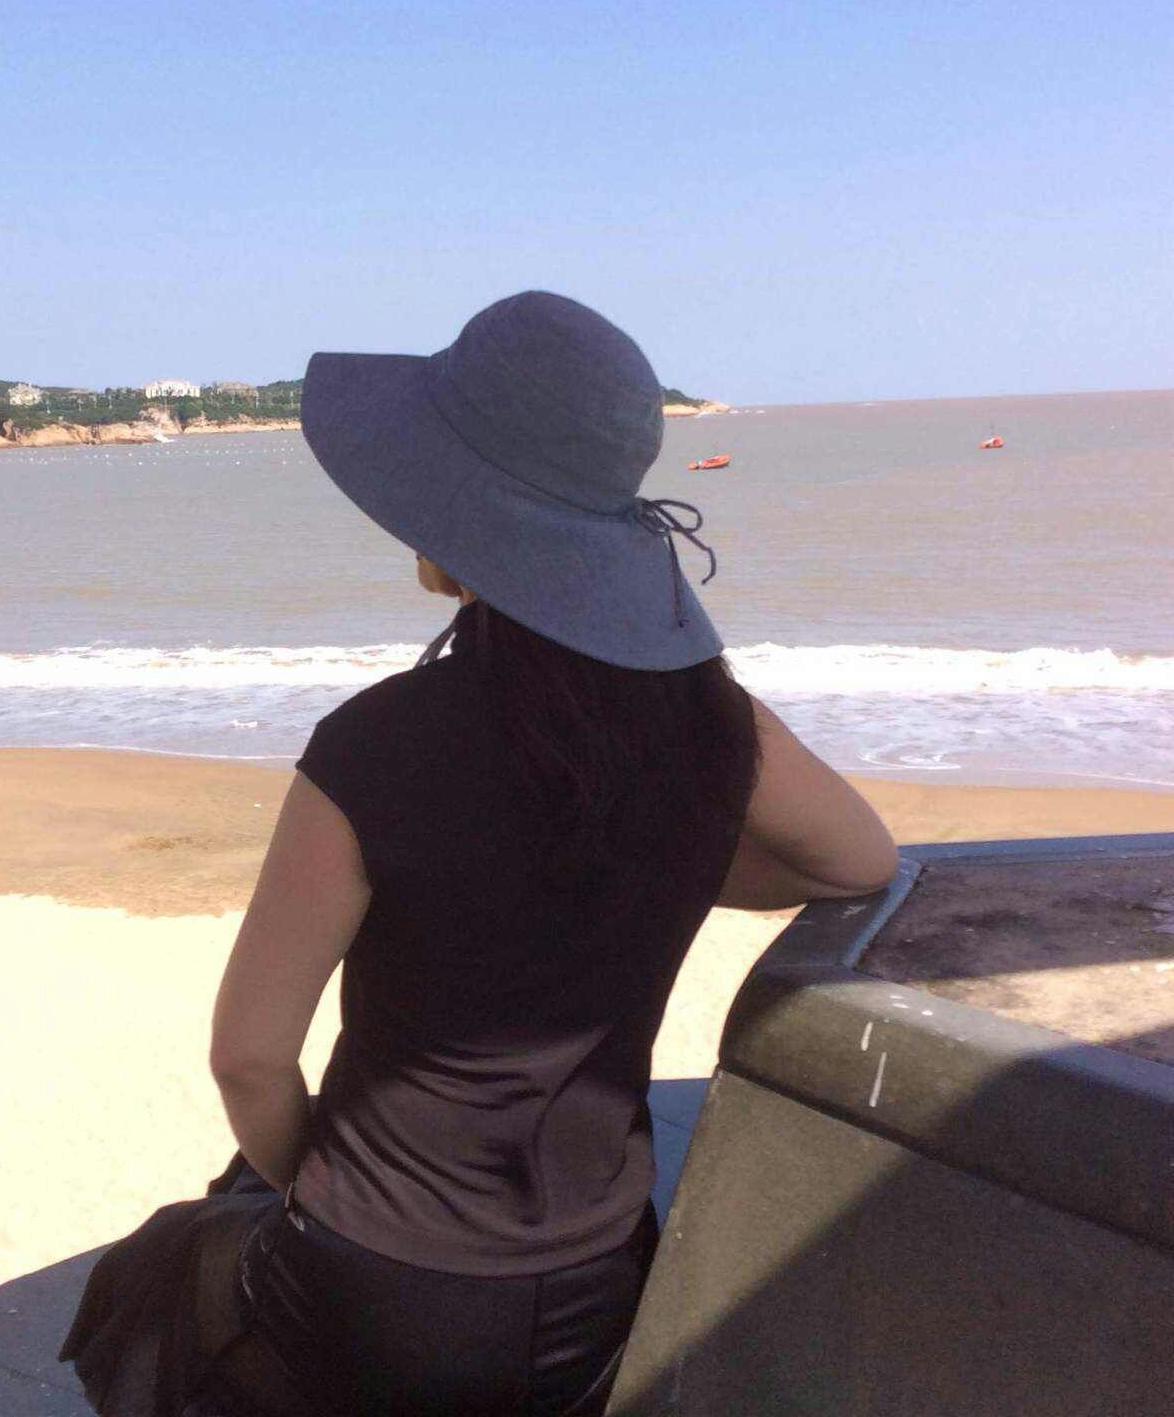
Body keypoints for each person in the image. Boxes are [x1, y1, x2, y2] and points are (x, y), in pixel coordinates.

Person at [196, 291, 893, 1416]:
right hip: (591, 1287)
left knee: (162, 1282)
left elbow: (248, 1060)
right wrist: (655, 860)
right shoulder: (710, 721)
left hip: (373, 1284)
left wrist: (300, 1188)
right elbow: (856, 863)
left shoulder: (375, 745)